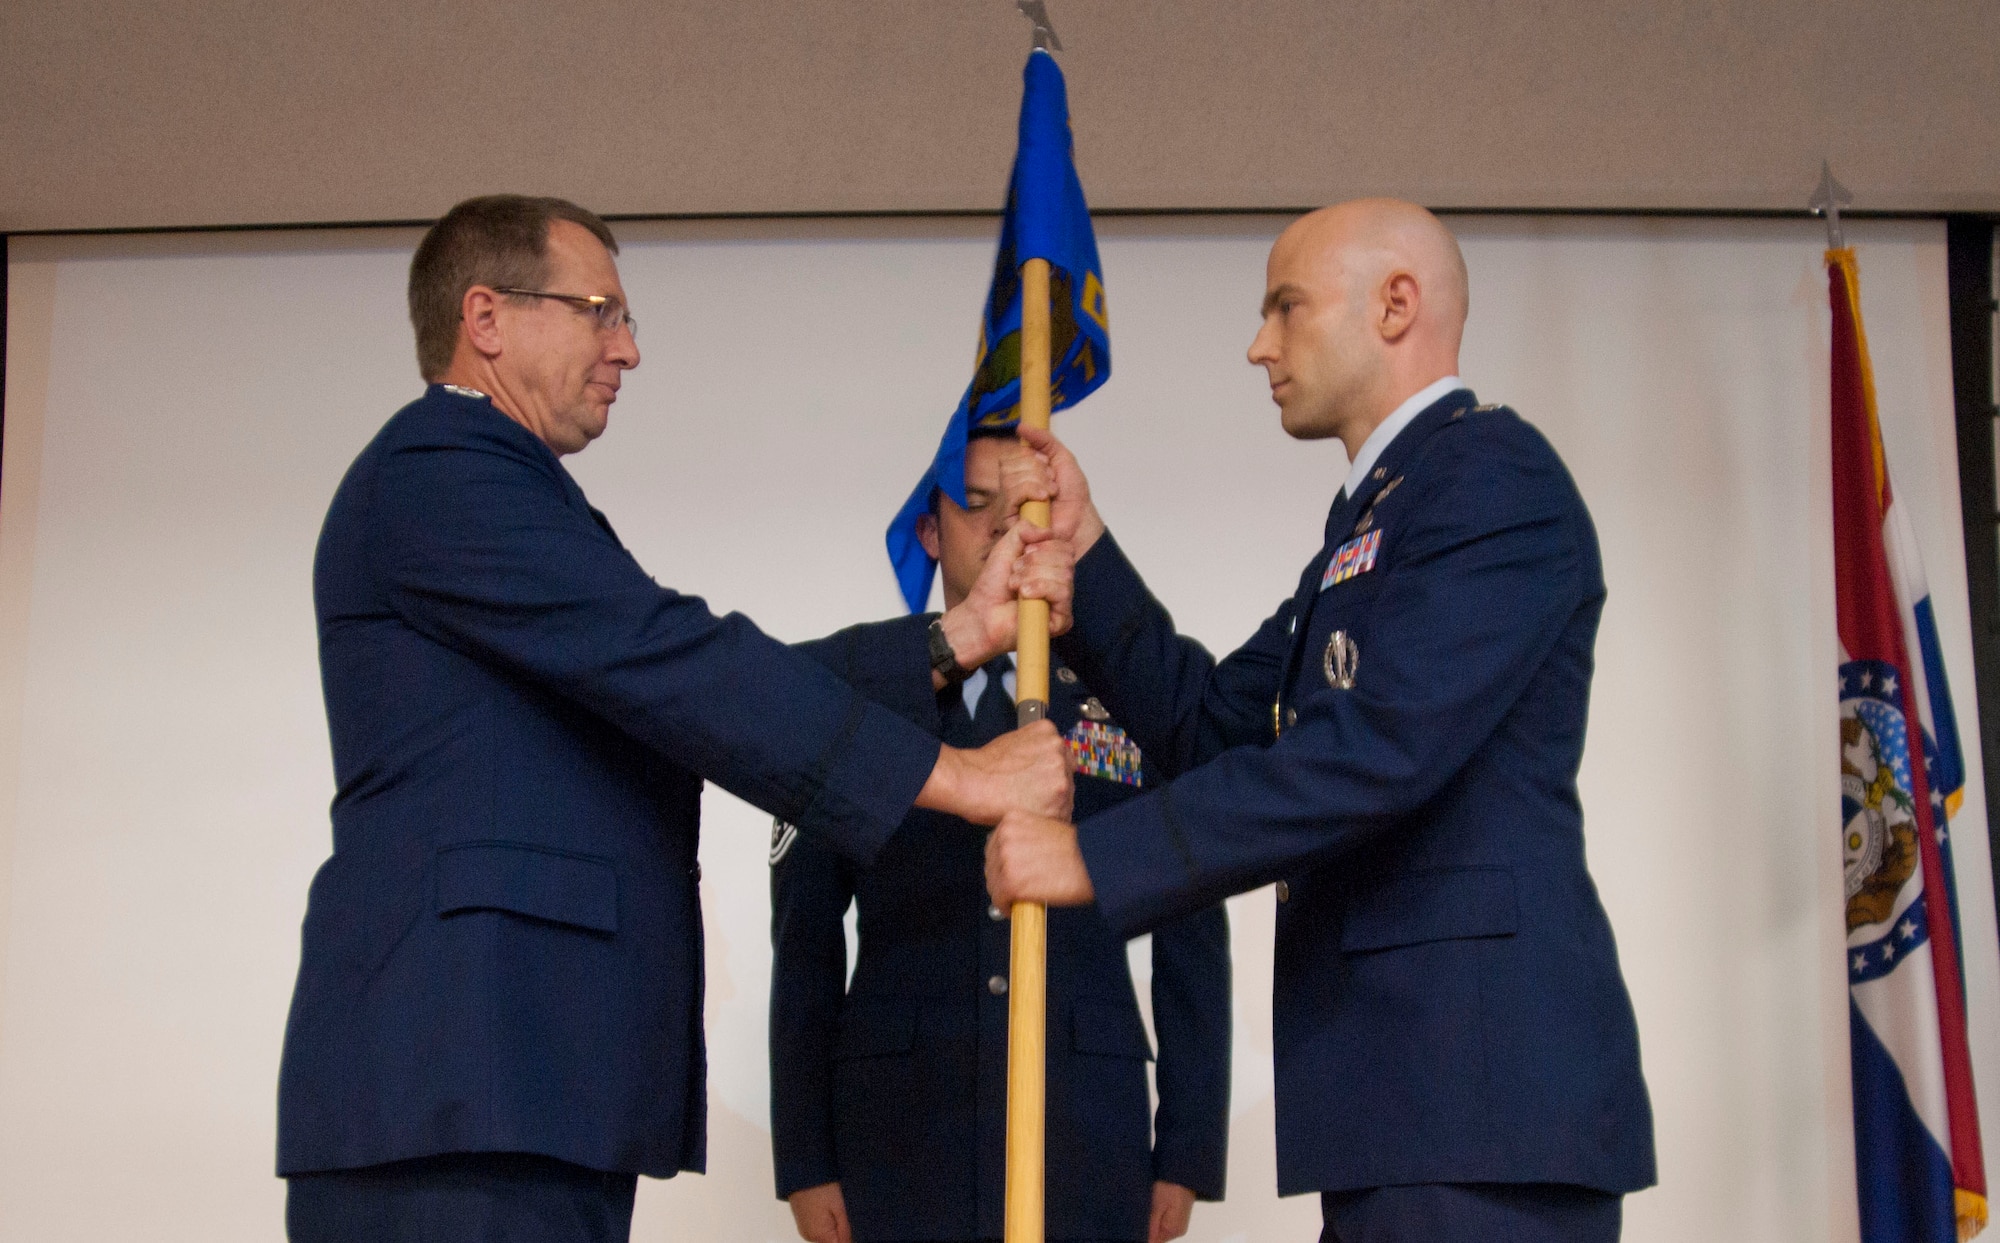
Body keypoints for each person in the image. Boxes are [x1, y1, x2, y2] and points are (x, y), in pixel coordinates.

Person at [276, 195, 1073, 1243]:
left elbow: (662, 687)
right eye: (599, 311)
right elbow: (670, 663)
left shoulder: (509, 495)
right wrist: (961, 777)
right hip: (461, 1079)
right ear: (486, 317)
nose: (629, 349)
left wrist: (957, 635)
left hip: (521, 1086)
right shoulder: (441, 471)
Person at [984, 200, 1656, 1242]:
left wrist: (1093, 861)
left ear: (1395, 305)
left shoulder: (1488, 478)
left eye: (1284, 308)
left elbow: (1375, 753)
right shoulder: (1376, 514)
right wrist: (1087, 548)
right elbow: (1212, 726)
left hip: (1475, 1106)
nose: (1258, 346)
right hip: (1403, 1109)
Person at [771, 430, 1232, 1243]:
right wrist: (806, 1156)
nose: (998, 526)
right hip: (900, 1126)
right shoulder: (862, 699)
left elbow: (1190, 914)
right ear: (928, 530)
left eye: (1020, 504)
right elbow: (804, 937)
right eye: (974, 505)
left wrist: (1189, 1146)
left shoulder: (1127, 689)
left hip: (1085, 1120)